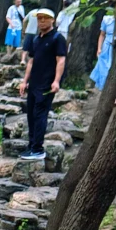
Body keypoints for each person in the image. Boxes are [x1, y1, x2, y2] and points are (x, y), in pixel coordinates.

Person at [19, 8, 67, 158]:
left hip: (46, 84)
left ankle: (38, 149)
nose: (42, 21)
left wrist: (56, 81)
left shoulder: (57, 38)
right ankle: (32, 145)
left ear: (52, 20)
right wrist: (24, 81)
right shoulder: (36, 39)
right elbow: (31, 62)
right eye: (39, 19)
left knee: (40, 115)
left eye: (45, 18)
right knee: (31, 115)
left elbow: (61, 60)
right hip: (34, 83)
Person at [91, 7, 116, 89]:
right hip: (107, 47)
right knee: (104, 67)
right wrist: (99, 48)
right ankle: (103, 87)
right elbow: (102, 35)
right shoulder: (107, 20)